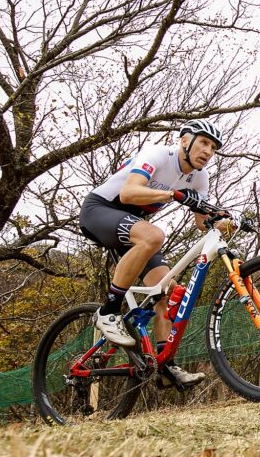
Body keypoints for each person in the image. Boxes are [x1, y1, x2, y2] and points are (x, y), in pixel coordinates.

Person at [78, 119, 224, 387]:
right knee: (154, 235)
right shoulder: (158, 154)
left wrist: (225, 221)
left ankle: (165, 366)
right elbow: (128, 193)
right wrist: (173, 194)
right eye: (204, 142)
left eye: (213, 148)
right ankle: (109, 311)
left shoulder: (200, 177)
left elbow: (202, 222)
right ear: (185, 141)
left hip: (133, 225)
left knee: (166, 290)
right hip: (99, 211)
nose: (208, 151)